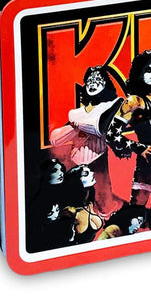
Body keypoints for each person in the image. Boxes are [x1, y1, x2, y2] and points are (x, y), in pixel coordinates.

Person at [105, 50, 151, 232]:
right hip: (147, 167)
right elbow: (111, 134)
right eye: (148, 69)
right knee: (135, 216)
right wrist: (139, 148)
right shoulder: (134, 101)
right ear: (139, 73)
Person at [49, 65, 122, 216]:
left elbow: (100, 126)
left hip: (98, 160)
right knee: (75, 202)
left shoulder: (110, 106)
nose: (93, 83)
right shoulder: (76, 113)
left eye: (98, 79)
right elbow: (55, 139)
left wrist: (78, 125)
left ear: (105, 84)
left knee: (103, 203)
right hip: (76, 162)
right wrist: (74, 127)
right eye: (89, 80)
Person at [61, 165, 104, 244]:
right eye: (85, 173)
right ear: (75, 181)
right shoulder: (70, 211)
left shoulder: (89, 203)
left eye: (89, 171)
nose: (92, 173)